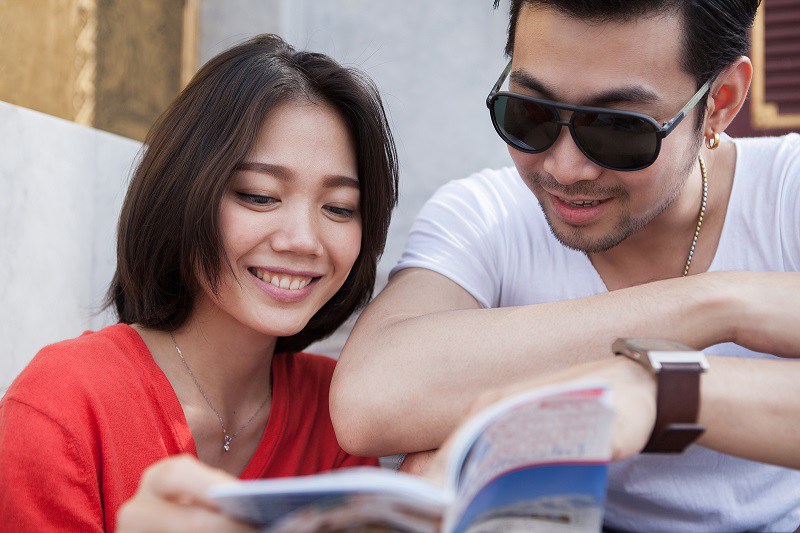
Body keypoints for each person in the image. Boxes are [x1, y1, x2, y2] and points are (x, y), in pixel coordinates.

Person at [331, 1, 800, 531]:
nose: (565, 168)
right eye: (530, 112)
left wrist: (655, 391)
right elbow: (370, 398)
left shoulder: (786, 194)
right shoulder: (486, 216)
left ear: (720, 103)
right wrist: (716, 304)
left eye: (620, 129)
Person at [0, 34, 398, 532]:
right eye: (259, 196)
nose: (304, 239)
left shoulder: (337, 410)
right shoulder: (64, 404)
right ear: (185, 192)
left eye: (339, 208)